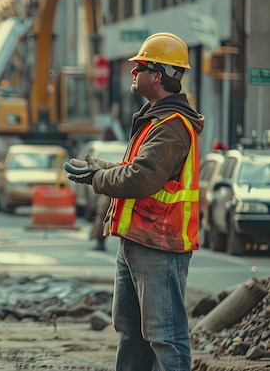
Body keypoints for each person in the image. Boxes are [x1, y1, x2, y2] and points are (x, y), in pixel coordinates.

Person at [65, 32, 204, 370]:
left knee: (164, 335)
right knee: (130, 331)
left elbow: (142, 178)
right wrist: (96, 168)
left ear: (157, 76)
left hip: (159, 245)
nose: (132, 72)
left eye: (139, 66)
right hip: (138, 240)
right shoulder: (154, 118)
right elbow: (134, 169)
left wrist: (96, 179)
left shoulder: (172, 126)